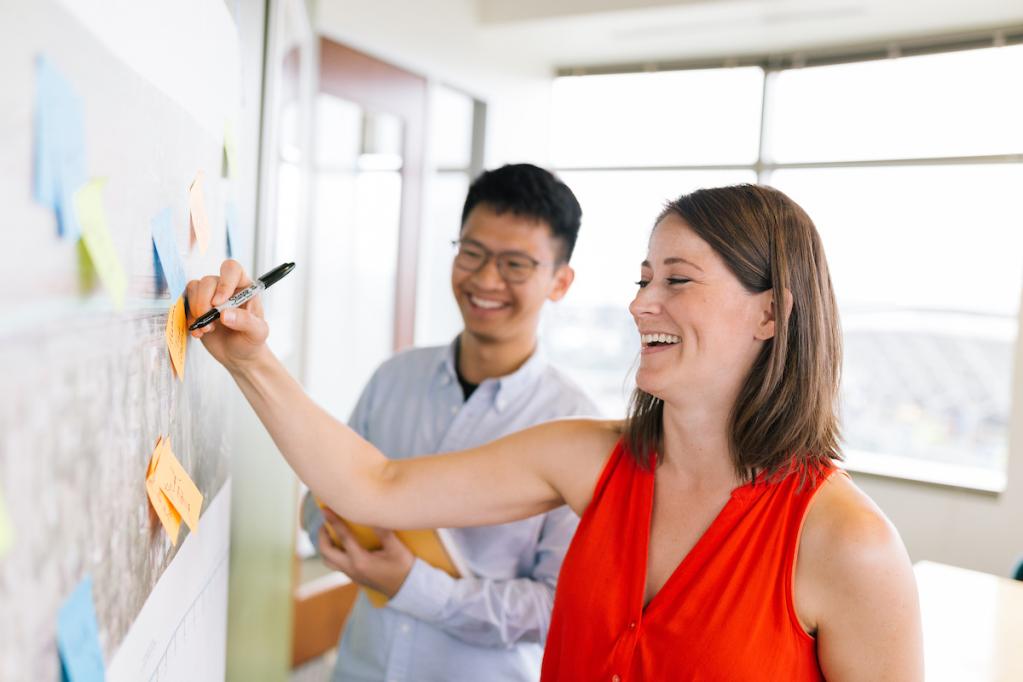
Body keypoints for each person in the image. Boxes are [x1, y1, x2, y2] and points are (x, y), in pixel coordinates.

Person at [187, 184, 924, 680]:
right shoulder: (587, 458)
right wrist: (251, 360)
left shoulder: (846, 543)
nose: (641, 306)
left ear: (770, 314)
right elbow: (373, 487)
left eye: (676, 280)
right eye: (642, 280)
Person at [304, 163, 599, 681]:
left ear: (560, 282)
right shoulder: (395, 378)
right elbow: (323, 497)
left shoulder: (576, 427)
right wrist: (333, 533)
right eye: (472, 253)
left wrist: (416, 586)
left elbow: (559, 607)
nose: (486, 280)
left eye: (515, 265)